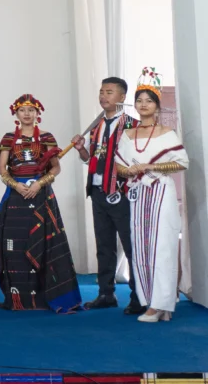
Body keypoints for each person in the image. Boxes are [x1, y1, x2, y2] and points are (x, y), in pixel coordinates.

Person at [0, 94, 81, 313]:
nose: (27, 114)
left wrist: (39, 184)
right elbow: (2, 168)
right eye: (22, 110)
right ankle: (18, 299)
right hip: (16, 197)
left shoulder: (46, 137)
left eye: (31, 110)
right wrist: (16, 185)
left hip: (41, 195)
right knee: (15, 245)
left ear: (37, 113)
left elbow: (56, 167)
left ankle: (44, 298)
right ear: (16, 113)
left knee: (44, 245)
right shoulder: (8, 138)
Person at [114, 68, 188, 322]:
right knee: (141, 246)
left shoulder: (167, 133)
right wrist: (129, 170)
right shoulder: (127, 134)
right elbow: (118, 166)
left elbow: (181, 163)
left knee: (162, 246)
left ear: (157, 106)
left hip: (161, 192)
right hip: (138, 195)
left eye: (149, 100)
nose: (143, 104)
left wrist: (150, 166)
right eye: (139, 100)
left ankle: (161, 303)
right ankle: (150, 301)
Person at [72, 77, 144, 314]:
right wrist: (81, 149)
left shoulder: (133, 126)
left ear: (122, 97)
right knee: (104, 245)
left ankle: (138, 296)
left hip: (122, 193)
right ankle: (106, 293)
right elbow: (90, 159)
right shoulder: (96, 126)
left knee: (131, 245)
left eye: (109, 92)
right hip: (97, 192)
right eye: (102, 92)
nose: (104, 96)